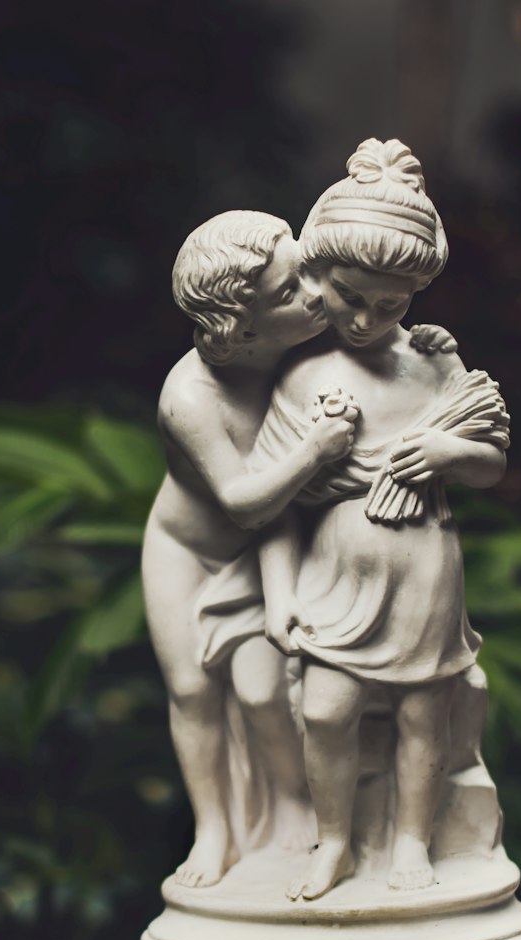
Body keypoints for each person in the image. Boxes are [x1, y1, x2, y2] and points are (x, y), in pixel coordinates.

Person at [255, 140, 511, 900]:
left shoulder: (436, 367)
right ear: (316, 277)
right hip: (336, 571)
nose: (365, 319)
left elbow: (491, 462)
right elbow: (269, 504)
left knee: (424, 717)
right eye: (348, 296)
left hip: (425, 569)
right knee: (327, 709)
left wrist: (445, 452)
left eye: (389, 305)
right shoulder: (303, 376)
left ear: (416, 296)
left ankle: (410, 844)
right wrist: (278, 596)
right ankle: (334, 840)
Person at [142, 210, 354, 888]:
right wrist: (317, 447)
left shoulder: (306, 350)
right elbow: (242, 500)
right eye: (293, 291)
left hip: (273, 546)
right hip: (187, 549)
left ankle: (294, 802)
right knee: (190, 689)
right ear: (242, 327)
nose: (317, 294)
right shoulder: (191, 396)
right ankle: (213, 830)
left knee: (265, 693)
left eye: (306, 270)